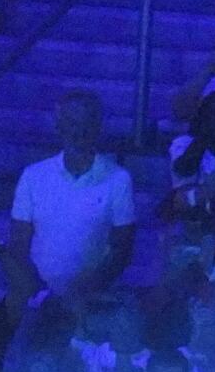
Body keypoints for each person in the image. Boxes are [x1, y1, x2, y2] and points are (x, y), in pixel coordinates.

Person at [7, 92, 138, 302]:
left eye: (87, 123)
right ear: (59, 126)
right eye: (72, 123)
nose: (79, 131)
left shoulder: (119, 179)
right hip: (37, 298)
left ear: (98, 127)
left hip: (92, 300)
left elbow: (122, 250)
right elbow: (18, 245)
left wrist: (87, 289)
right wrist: (39, 293)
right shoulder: (33, 176)